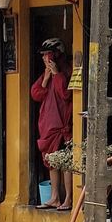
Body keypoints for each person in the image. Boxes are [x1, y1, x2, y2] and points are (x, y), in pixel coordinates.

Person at [30, 38, 73, 211]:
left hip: (62, 125)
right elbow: (36, 94)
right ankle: (54, 197)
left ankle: (68, 199)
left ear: (55, 55)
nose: (44, 59)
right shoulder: (45, 74)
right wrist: (46, 77)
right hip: (47, 126)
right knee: (51, 161)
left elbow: (65, 94)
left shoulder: (66, 71)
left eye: (46, 55)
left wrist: (56, 74)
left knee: (66, 163)